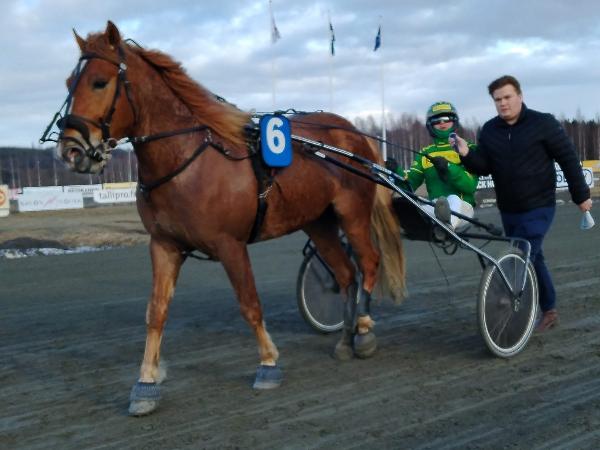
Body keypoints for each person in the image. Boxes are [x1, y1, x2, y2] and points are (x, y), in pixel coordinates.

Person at [452, 75, 593, 332]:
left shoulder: (543, 123)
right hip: (509, 209)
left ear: (520, 96)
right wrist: (467, 154)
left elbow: (568, 159)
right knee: (533, 257)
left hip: (540, 205)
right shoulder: (489, 130)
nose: (503, 103)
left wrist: (581, 196)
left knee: (522, 256)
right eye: (497, 99)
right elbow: (484, 167)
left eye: (507, 97)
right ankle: (549, 309)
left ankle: (511, 303)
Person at [390, 101, 479, 230]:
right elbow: (410, 185)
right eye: (437, 120)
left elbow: (470, 186)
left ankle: (446, 227)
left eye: (446, 118)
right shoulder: (425, 153)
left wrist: (448, 167)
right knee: (414, 208)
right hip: (436, 207)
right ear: (430, 125)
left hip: (463, 207)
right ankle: (436, 226)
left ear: (454, 121)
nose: (442, 123)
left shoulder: (467, 148)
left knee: (452, 199)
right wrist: (395, 170)